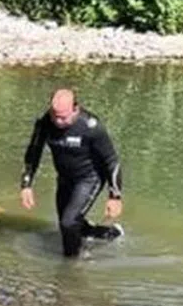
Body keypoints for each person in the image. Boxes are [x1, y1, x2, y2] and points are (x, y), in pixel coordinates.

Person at [19, 88, 125, 258]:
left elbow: (111, 161)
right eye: (55, 116)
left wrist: (115, 196)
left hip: (89, 179)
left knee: (68, 223)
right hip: (65, 178)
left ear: (75, 108)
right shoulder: (45, 123)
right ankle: (111, 233)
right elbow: (33, 152)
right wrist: (26, 185)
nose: (58, 122)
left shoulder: (91, 127)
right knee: (68, 225)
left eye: (63, 117)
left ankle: (72, 264)